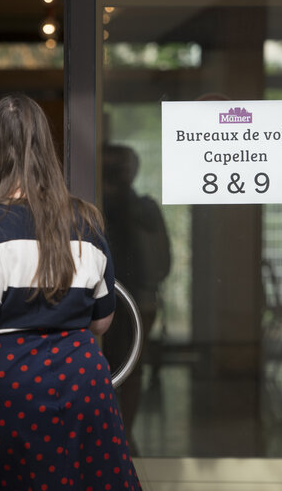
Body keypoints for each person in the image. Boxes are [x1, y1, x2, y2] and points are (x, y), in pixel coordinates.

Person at [0, 93, 142, 490]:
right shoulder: (86, 220)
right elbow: (102, 320)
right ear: (46, 149)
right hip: (81, 383)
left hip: (10, 388)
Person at [102, 143, 171, 453]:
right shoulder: (91, 203)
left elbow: (162, 259)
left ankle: (125, 437)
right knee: (99, 369)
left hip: (138, 299)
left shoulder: (144, 208)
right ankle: (106, 437)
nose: (117, 176)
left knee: (132, 371)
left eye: (121, 169)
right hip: (101, 301)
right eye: (110, 169)